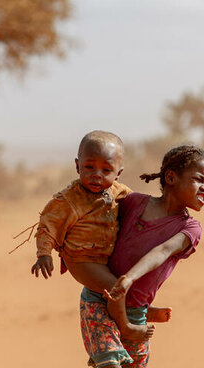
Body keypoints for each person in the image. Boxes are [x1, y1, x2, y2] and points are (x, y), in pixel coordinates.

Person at [78, 144, 204, 368]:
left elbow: (161, 252)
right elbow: (92, 208)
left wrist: (128, 280)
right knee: (110, 366)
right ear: (170, 177)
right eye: (199, 179)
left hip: (135, 310)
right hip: (99, 299)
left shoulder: (189, 228)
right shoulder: (131, 203)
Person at [31, 130, 159, 340]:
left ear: (118, 173)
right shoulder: (70, 199)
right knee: (115, 287)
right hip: (82, 260)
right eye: (89, 167)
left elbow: (141, 205)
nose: (97, 174)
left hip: (106, 257)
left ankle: (139, 308)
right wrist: (43, 253)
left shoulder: (119, 191)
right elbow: (48, 223)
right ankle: (126, 326)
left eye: (106, 170)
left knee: (131, 277)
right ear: (77, 165)